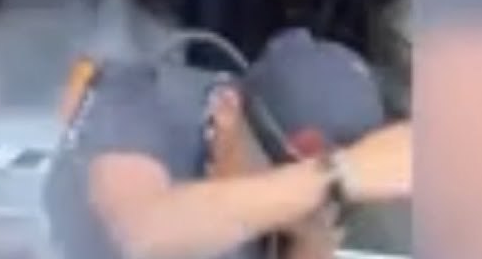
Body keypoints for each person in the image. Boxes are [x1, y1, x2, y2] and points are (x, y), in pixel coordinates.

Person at [43, 28, 412, 259]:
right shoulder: (139, 96)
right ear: (227, 109)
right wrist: (331, 177)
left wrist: (309, 241)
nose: (285, 196)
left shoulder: (305, 198)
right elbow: (142, 232)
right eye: (280, 170)